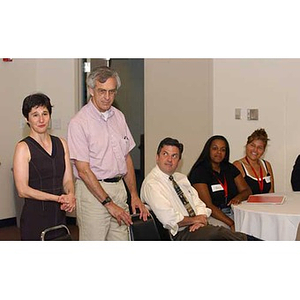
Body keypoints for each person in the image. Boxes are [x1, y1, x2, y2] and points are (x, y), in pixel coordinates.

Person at [67, 66, 148, 241]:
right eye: (102, 91)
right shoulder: (79, 122)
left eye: (111, 92)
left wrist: (134, 194)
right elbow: (83, 170)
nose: (107, 97)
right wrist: (108, 203)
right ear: (91, 91)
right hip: (92, 194)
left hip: (119, 189)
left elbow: (126, 157)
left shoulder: (119, 117)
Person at [141, 137, 258, 241]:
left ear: (179, 161)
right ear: (157, 157)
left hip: (195, 226)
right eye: (165, 154)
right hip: (178, 233)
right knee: (220, 234)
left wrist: (201, 218)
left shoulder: (180, 178)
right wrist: (194, 220)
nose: (169, 160)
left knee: (222, 234)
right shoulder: (152, 184)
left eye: (174, 156)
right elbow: (169, 219)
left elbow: (199, 203)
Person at [13, 93, 75, 241]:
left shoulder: (61, 143)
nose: (41, 119)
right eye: (35, 115)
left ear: (50, 116)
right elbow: (22, 190)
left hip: (59, 217)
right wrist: (57, 198)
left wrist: (70, 195)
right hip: (35, 219)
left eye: (45, 114)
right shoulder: (23, 147)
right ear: (27, 119)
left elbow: (67, 180)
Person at [188, 135, 252, 231]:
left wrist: (238, 198)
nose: (219, 152)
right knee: (229, 231)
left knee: (253, 227)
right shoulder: (199, 171)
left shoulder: (229, 168)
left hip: (233, 211)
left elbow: (247, 190)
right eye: (215, 148)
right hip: (212, 215)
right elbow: (208, 205)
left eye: (223, 150)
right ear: (208, 150)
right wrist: (231, 223)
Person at [233, 128, 274, 194]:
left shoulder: (267, 165)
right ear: (246, 145)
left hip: (266, 204)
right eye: (252, 145)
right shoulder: (238, 166)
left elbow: (271, 193)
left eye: (260, 148)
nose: (255, 150)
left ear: (264, 150)